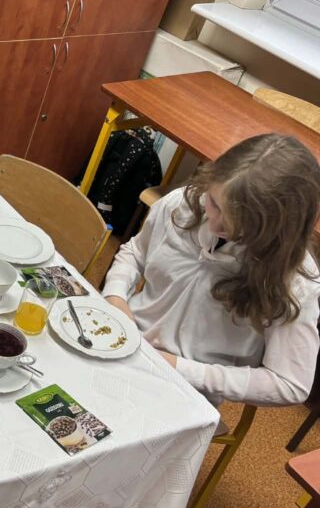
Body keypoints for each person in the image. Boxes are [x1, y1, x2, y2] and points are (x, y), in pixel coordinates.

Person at [102, 133, 320, 407]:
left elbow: (290, 384)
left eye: (242, 224)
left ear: (279, 229)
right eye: (215, 203)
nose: (216, 225)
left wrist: (180, 368)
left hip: (186, 388)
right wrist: (115, 297)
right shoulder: (182, 204)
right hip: (125, 340)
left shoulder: (294, 280)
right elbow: (136, 253)